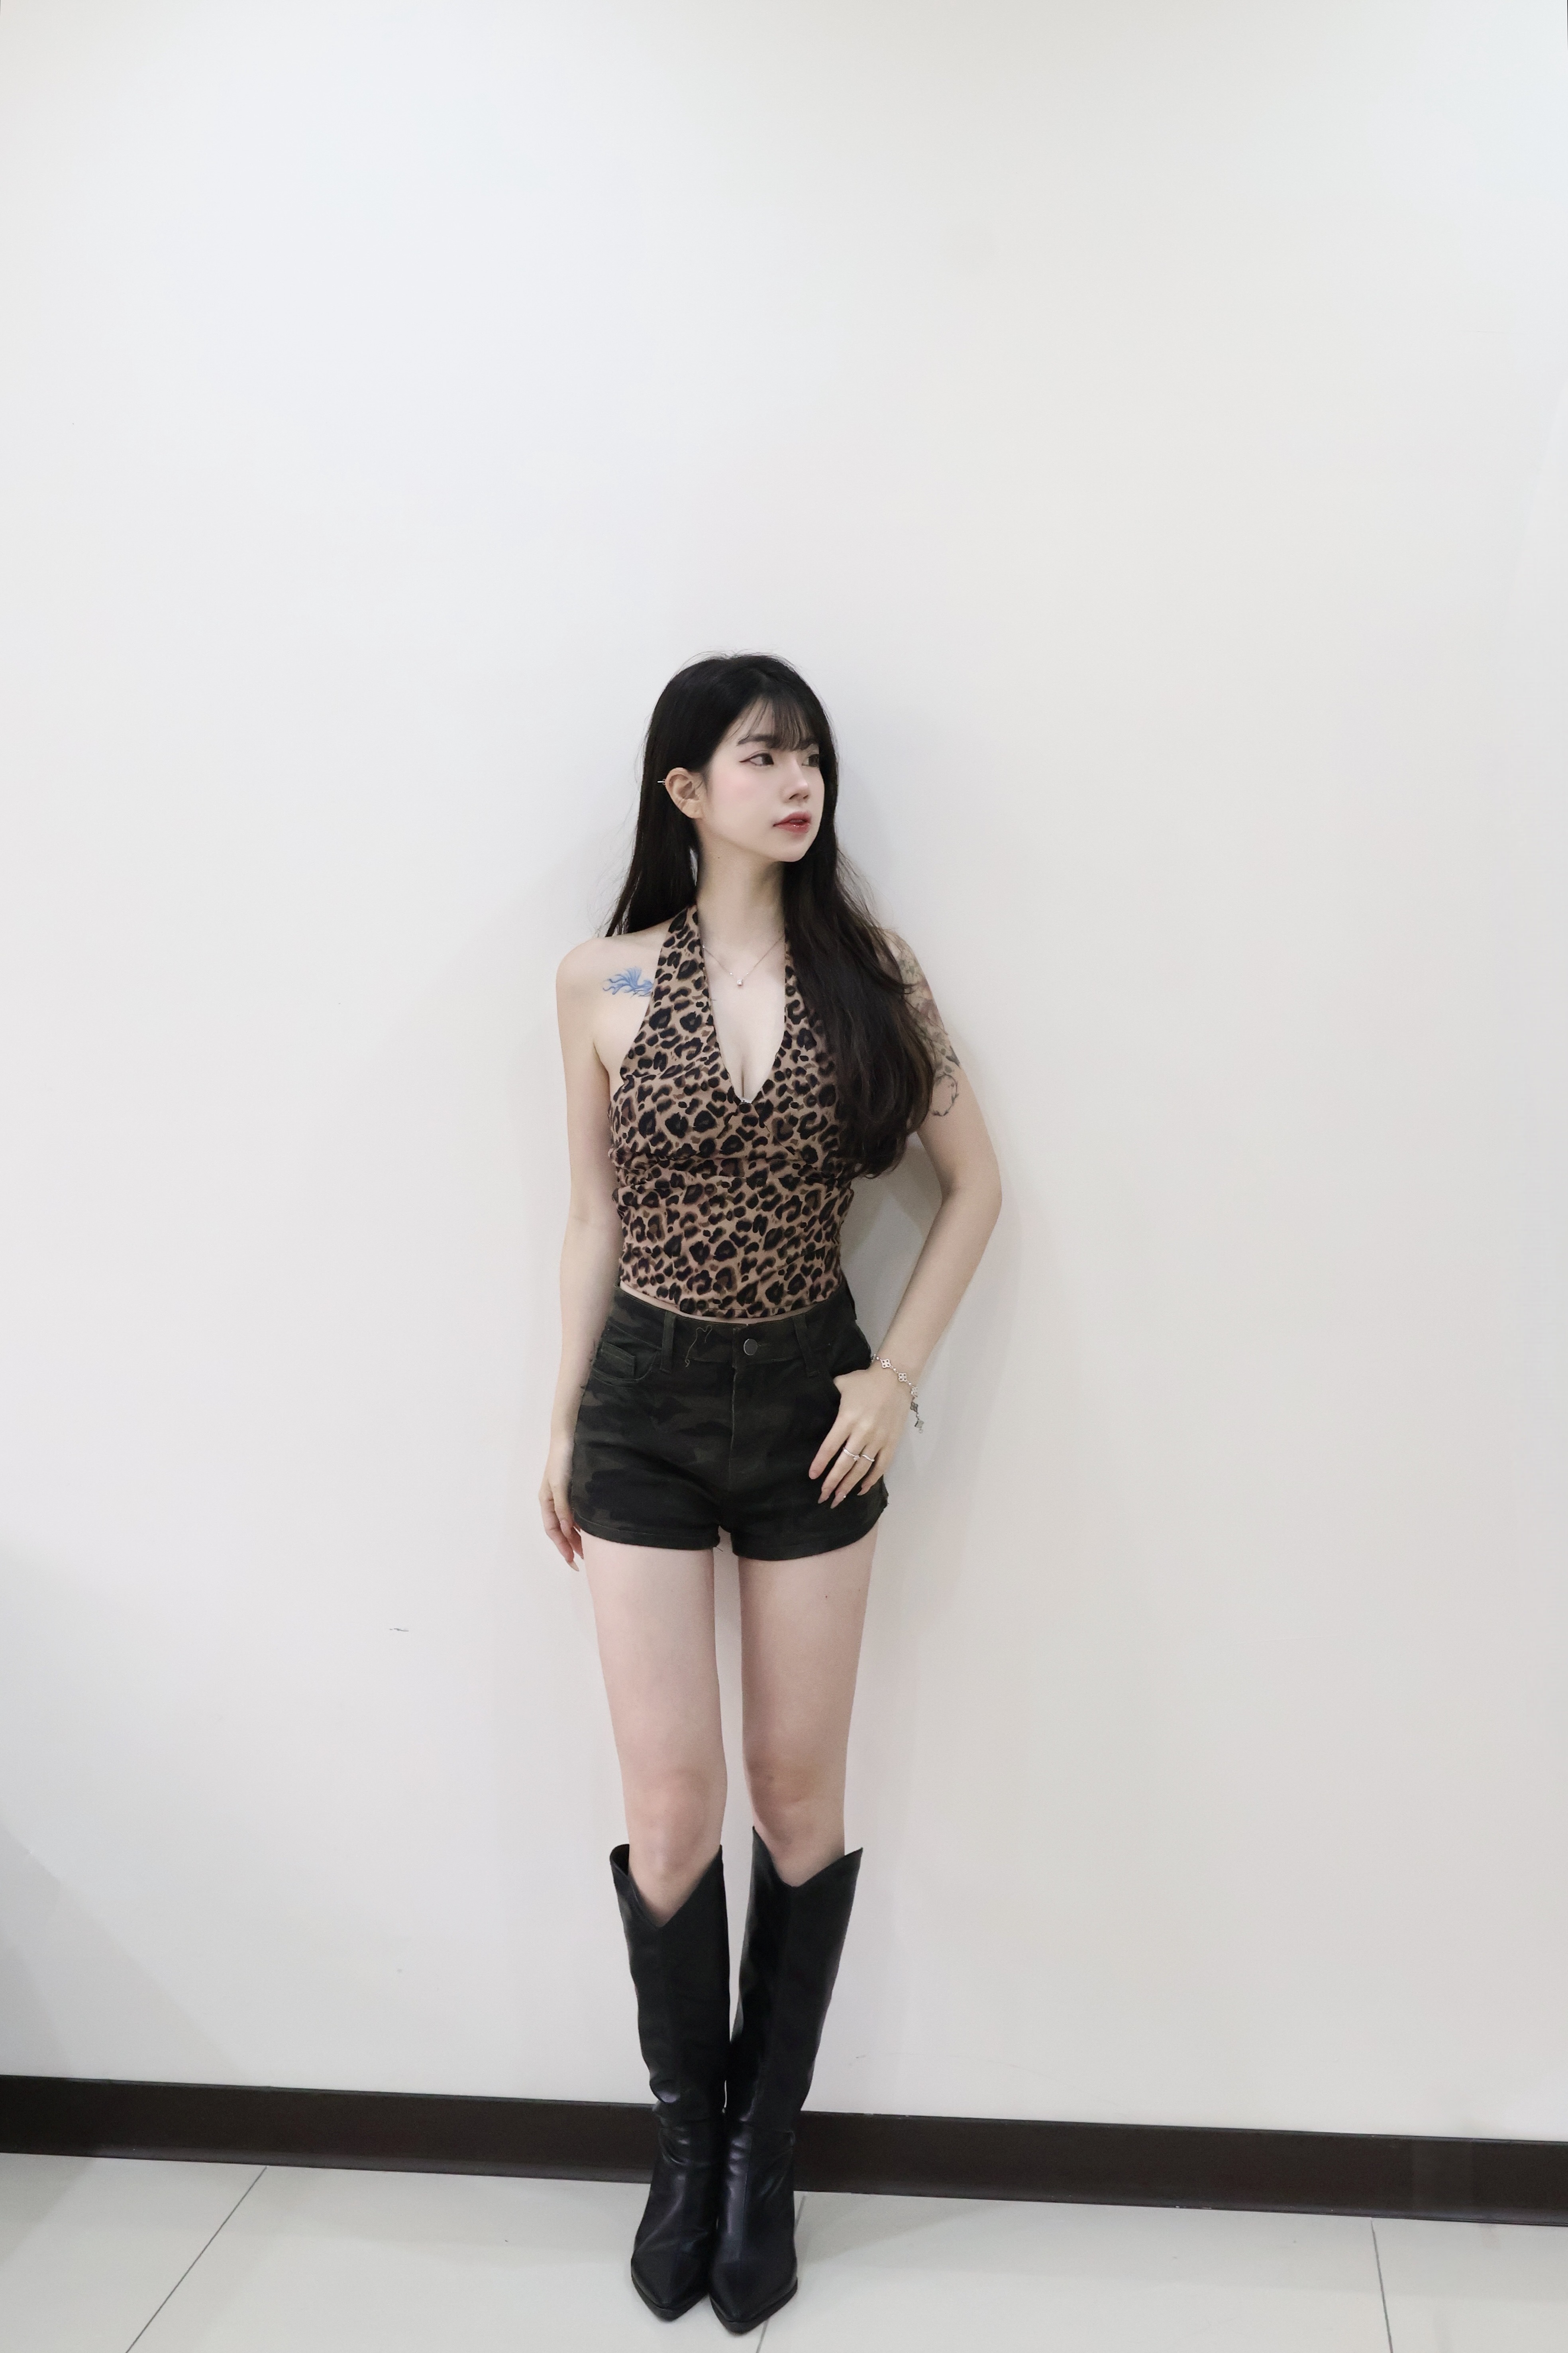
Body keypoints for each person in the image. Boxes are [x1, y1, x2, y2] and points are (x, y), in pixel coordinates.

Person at [540, 653, 1001, 2332]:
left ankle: (763, 2161)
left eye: (811, 756)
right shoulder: (600, 980)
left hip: (816, 1408)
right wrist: (557, 1422)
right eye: (761, 756)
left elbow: (978, 1187)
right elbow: (592, 1219)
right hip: (644, 1412)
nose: (798, 782)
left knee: (799, 1800)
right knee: (672, 1809)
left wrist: (895, 1376)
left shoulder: (873, 973)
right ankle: (687, 2147)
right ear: (687, 791)